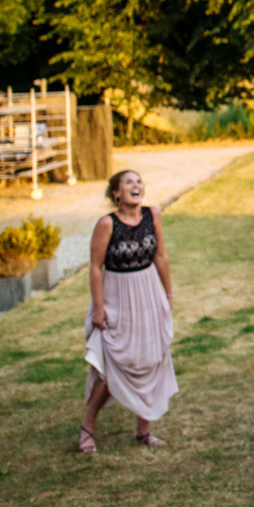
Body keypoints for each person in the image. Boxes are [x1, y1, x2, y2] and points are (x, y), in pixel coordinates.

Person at [79, 169, 178, 452]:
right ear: (116, 194)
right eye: (129, 182)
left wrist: (167, 293)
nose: (136, 186)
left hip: (148, 293)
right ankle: (87, 426)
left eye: (138, 181)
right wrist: (98, 308)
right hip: (117, 297)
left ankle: (144, 431)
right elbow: (96, 268)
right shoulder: (106, 224)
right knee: (113, 365)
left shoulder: (153, 215)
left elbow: (160, 255)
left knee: (150, 359)